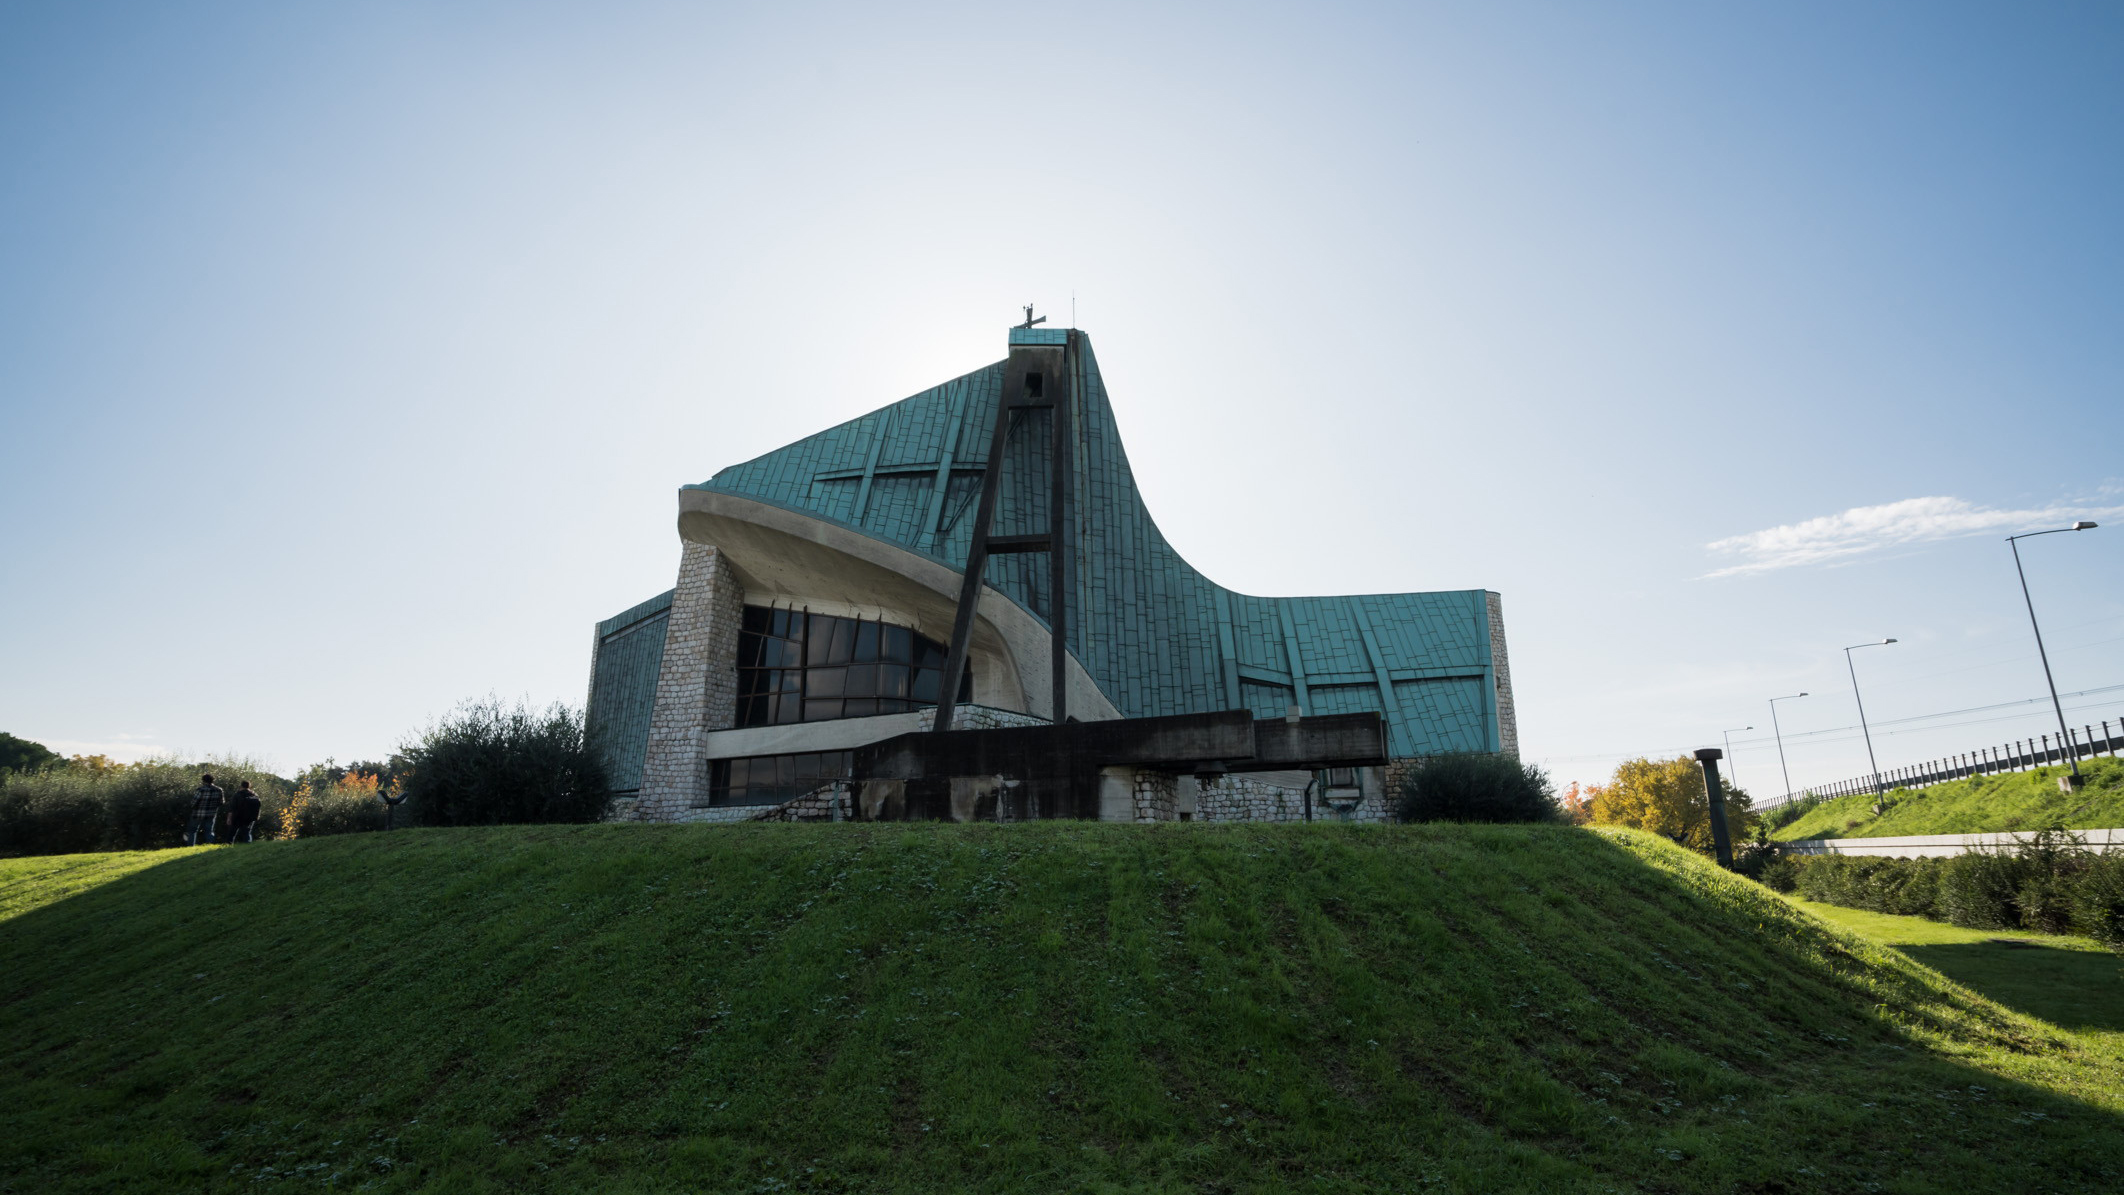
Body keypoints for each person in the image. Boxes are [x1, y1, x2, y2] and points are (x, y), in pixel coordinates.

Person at [185, 773, 224, 846]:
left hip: (198, 814)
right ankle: (210, 845)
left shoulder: (200, 790)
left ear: (203, 781)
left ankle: (190, 845)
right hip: (211, 814)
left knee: (193, 830)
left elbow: (194, 802)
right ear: (212, 780)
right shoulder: (219, 790)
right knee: (209, 831)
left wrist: (193, 807)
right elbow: (221, 802)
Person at [226, 780, 262, 844]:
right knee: (247, 832)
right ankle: (248, 844)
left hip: (237, 817)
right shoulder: (254, 795)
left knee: (232, 833)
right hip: (249, 818)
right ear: (249, 786)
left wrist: (229, 818)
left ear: (241, 786)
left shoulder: (237, 795)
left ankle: (228, 845)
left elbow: (232, 808)